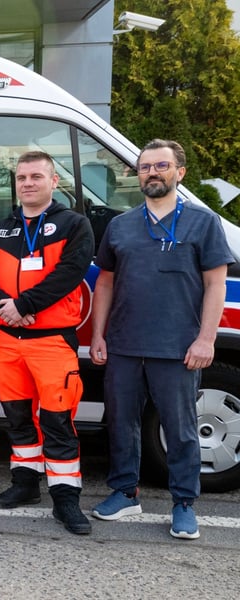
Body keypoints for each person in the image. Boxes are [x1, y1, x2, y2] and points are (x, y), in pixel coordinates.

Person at [89, 139, 232, 540]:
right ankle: (124, 492)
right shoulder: (121, 225)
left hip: (178, 347)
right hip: (124, 344)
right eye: (145, 167)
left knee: (181, 428)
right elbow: (105, 284)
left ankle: (184, 503)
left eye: (161, 166)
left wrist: (206, 340)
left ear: (179, 173)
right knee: (122, 423)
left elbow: (215, 284)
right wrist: (99, 335)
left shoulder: (203, 223)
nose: (152, 172)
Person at [0, 151, 94, 535]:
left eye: (36, 176)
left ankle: (66, 500)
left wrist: (23, 305)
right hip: (8, 342)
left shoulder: (74, 225)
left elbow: (70, 274)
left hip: (52, 342)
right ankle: (25, 485)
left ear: (53, 181)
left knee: (57, 422)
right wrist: (5, 309)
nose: (27, 182)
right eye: (22, 177)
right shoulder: (0, 230)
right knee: (18, 419)